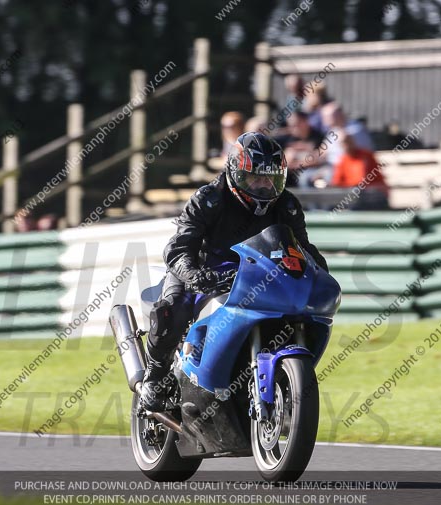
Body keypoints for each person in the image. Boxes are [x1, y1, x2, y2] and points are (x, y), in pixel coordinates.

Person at [139, 132, 329, 412]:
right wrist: (195, 275)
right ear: (236, 173)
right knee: (173, 308)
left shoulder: (286, 205)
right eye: (256, 178)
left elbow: (302, 247)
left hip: (255, 273)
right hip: (203, 269)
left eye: (271, 179)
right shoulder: (209, 199)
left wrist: (320, 276)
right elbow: (178, 248)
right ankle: (153, 377)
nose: (264, 186)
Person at [331, 131, 389, 210]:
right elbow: (337, 182)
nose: (347, 144)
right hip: (353, 195)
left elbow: (361, 180)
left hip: (372, 194)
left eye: (348, 141)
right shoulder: (342, 160)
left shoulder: (365, 156)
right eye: (344, 142)